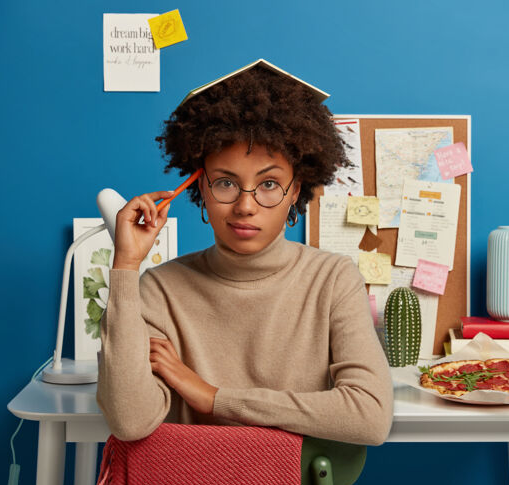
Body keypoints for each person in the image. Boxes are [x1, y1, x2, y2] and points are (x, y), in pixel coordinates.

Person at [96, 62, 394, 447]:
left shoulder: (334, 280)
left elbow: (369, 418)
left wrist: (214, 398)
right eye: (225, 183)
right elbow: (128, 421)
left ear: (295, 190)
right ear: (200, 188)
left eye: (269, 183)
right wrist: (125, 266)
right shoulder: (160, 289)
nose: (245, 206)